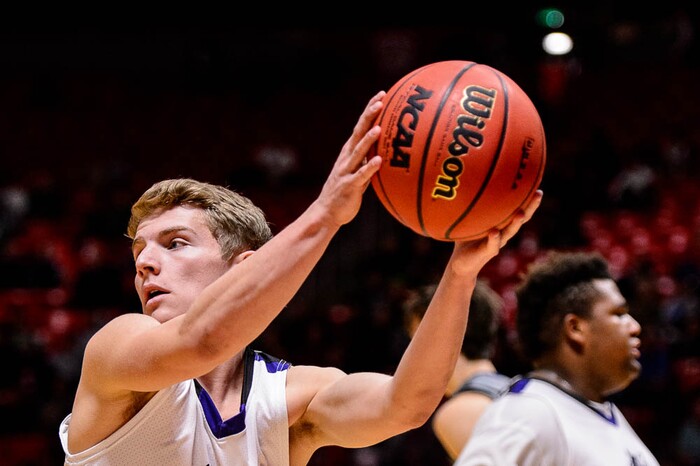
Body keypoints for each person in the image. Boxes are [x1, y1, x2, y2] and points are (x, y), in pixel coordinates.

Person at [57, 90, 543, 466]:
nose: (144, 262)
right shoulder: (118, 348)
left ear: (243, 268)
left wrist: (459, 273)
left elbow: (406, 405)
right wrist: (326, 213)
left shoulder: (287, 397)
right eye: (139, 250)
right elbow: (202, 341)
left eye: (175, 243)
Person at [454, 251, 660, 465]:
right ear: (576, 328)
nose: (635, 327)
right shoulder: (528, 413)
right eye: (618, 314)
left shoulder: (600, 412)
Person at [403, 279, 511, 461]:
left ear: (439, 334)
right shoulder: (515, 389)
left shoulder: (460, 412)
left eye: (416, 340)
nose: (409, 354)